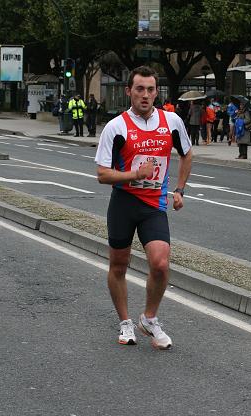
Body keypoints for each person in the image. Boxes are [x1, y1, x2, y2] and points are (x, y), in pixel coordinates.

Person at [94, 66, 192, 349]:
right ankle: (125, 321)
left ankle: (149, 318)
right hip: (124, 203)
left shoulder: (172, 122)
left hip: (154, 205)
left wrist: (180, 189)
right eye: (139, 89)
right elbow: (102, 174)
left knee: (160, 264)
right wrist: (134, 175)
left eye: (150, 90)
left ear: (156, 92)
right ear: (129, 91)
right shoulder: (116, 127)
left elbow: (187, 155)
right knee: (119, 265)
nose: (145, 95)